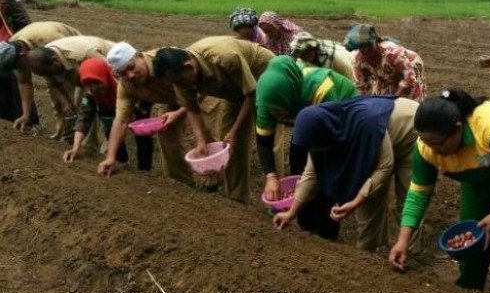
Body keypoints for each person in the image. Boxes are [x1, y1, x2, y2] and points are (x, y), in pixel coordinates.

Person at [388, 88, 490, 293]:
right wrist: (403, 241)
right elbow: (419, 192)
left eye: (438, 144)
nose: (434, 151)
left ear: (457, 130)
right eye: (428, 144)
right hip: (478, 180)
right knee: (472, 235)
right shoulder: (426, 148)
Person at [273, 96, 419, 250]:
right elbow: (310, 174)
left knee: (407, 198)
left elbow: (385, 167)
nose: (313, 151)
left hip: (408, 126)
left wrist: (356, 201)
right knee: (369, 203)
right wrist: (291, 212)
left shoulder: (365, 124)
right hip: (381, 133)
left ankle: (409, 252)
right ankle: (372, 252)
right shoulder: (321, 131)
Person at [153, 36, 274, 204]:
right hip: (236, 91)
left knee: (269, 137)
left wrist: (235, 130)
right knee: (229, 144)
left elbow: (252, 94)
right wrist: (201, 142)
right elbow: (191, 108)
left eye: (180, 81)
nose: (179, 86)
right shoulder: (180, 78)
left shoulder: (225, 58)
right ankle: (237, 199)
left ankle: (276, 197)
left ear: (189, 67)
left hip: (266, 77)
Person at [256, 55, 358, 198]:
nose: (276, 116)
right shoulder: (268, 100)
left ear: (288, 97)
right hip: (305, 114)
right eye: (272, 111)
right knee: (297, 153)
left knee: (324, 165)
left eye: (279, 110)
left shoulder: (322, 90)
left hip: (344, 112)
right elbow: (263, 141)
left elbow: (325, 144)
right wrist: (271, 176)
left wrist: (307, 183)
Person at [98, 42, 193, 184]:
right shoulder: (126, 85)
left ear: (139, 56)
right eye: (123, 73)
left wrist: (179, 113)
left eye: (131, 67)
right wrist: (110, 157)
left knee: (211, 127)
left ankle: (218, 183)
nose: (130, 75)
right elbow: (121, 121)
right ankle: (183, 182)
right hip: (173, 99)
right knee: (166, 130)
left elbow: (198, 90)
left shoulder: (164, 62)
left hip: (200, 91)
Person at [26, 35, 116, 143]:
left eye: (50, 72)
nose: (50, 75)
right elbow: (53, 84)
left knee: (103, 111)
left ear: (55, 61)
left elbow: (112, 75)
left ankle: (108, 147)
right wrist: (65, 102)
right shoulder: (42, 63)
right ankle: (87, 143)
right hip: (84, 78)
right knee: (82, 106)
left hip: (110, 67)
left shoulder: (83, 53)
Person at [0, 21, 81, 136]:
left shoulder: (49, 39)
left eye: (16, 66)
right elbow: (24, 82)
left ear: (23, 56)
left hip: (73, 53)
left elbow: (72, 68)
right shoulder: (14, 51)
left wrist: (68, 100)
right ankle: (63, 132)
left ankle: (86, 143)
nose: (17, 69)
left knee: (78, 100)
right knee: (58, 100)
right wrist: (26, 115)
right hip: (49, 60)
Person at [63, 57, 142, 167]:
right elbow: (83, 119)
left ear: (104, 77)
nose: (94, 88)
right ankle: (122, 162)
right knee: (110, 130)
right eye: (88, 84)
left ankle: (143, 167)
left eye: (97, 82)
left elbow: (124, 122)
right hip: (112, 117)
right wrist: (75, 148)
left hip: (135, 111)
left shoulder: (123, 88)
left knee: (142, 137)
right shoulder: (91, 94)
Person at [344, 24, 426, 101]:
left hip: (411, 66)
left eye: (369, 45)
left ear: (375, 41)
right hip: (385, 75)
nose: (366, 49)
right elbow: (361, 87)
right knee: (381, 95)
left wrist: (394, 98)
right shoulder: (358, 61)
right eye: (362, 47)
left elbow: (409, 78)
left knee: (410, 96)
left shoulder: (392, 54)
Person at [0, 0, 38, 125]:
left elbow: (24, 22)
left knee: (17, 85)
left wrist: (22, 45)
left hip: (10, 46)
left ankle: (28, 123)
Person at [290, 31, 355, 79]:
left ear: (314, 48)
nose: (306, 56)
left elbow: (348, 75)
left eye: (308, 52)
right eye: (303, 55)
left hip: (350, 67)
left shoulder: (334, 57)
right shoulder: (300, 62)